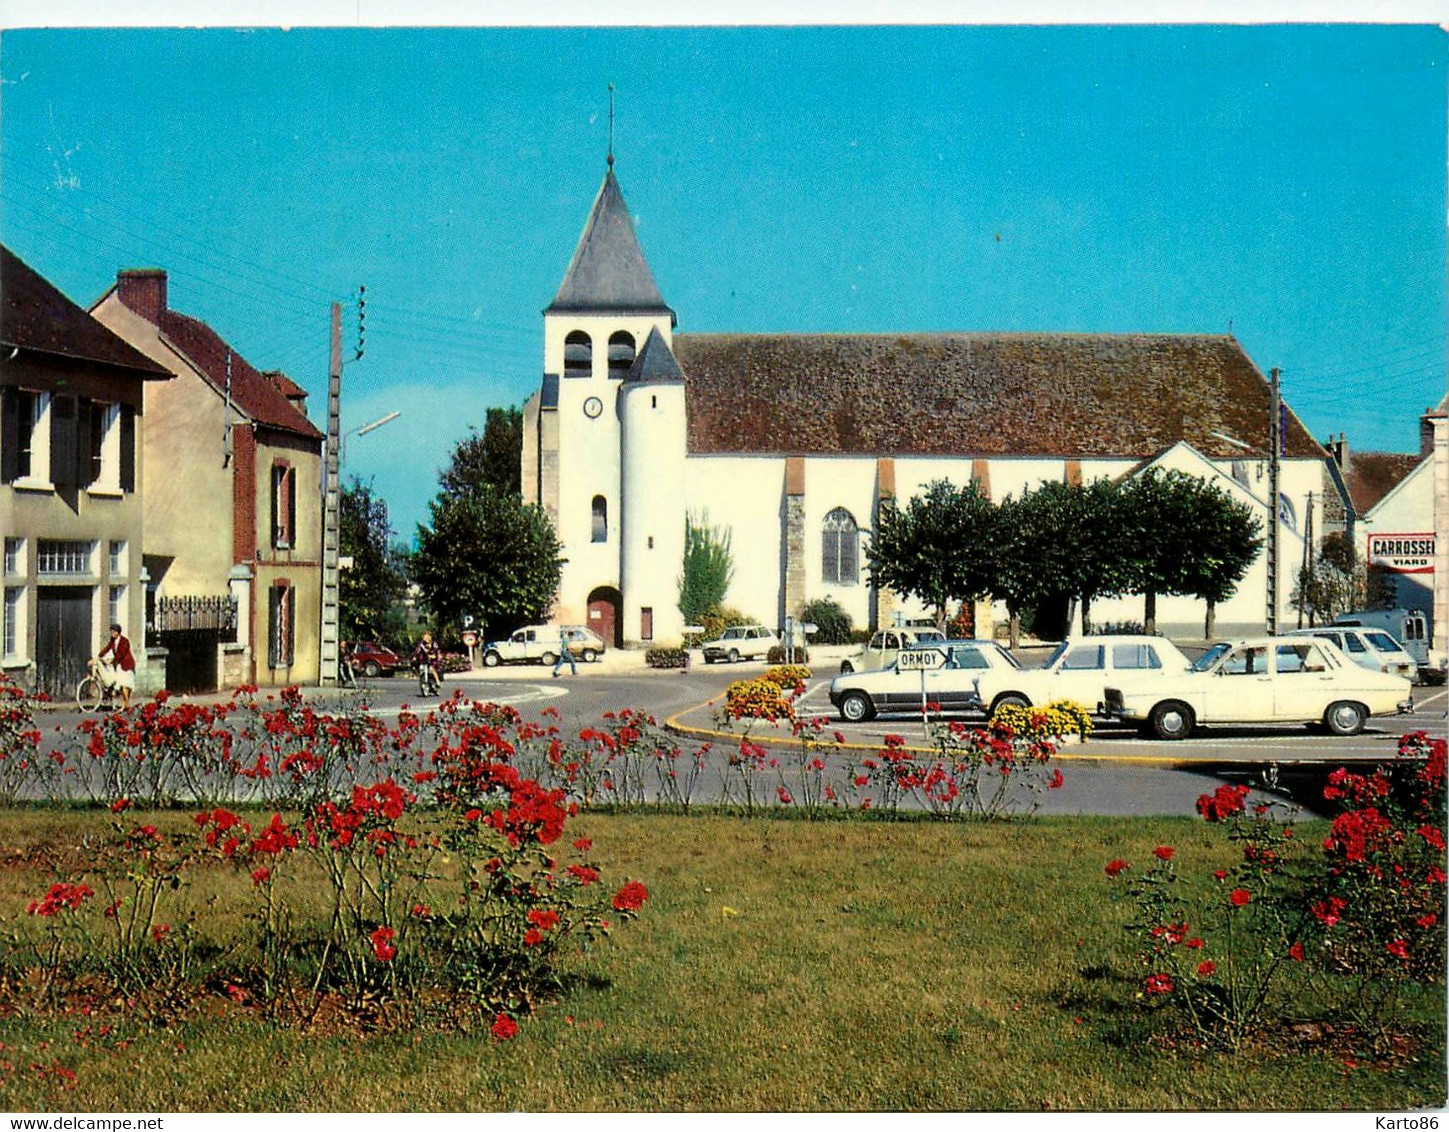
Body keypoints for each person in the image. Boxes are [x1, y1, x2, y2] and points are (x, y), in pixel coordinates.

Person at [97, 623, 136, 710]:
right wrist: (99, 656)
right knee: (122, 685)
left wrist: (111, 661)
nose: (112, 633)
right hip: (119, 665)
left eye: (113, 631)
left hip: (127, 665)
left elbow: (121, 654)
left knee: (125, 685)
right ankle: (126, 704)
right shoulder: (113, 641)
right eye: (111, 631)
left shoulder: (125, 641)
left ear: (118, 632)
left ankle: (127, 704)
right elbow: (107, 648)